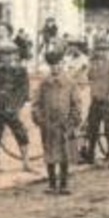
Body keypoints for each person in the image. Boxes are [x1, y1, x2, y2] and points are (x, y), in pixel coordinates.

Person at [33, 48, 81, 195]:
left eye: (58, 64)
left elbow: (76, 103)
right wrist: (39, 118)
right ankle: (52, 184)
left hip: (64, 123)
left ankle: (64, 184)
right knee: (49, 153)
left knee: (64, 153)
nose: (56, 68)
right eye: (53, 65)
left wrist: (73, 120)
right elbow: (36, 103)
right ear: (49, 67)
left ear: (63, 64)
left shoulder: (70, 83)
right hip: (48, 124)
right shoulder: (44, 84)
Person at [0, 41, 34, 172]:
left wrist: (15, 106)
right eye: (3, 55)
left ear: (16, 55)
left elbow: (24, 91)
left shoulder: (20, 71)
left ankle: (25, 162)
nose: (7, 58)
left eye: (10, 54)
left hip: (11, 105)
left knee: (20, 132)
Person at [82, 34, 109, 164]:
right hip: (95, 100)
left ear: (108, 51)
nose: (101, 53)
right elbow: (88, 77)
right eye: (99, 50)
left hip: (107, 101)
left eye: (104, 50)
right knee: (92, 128)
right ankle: (90, 154)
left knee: (108, 129)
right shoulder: (93, 64)